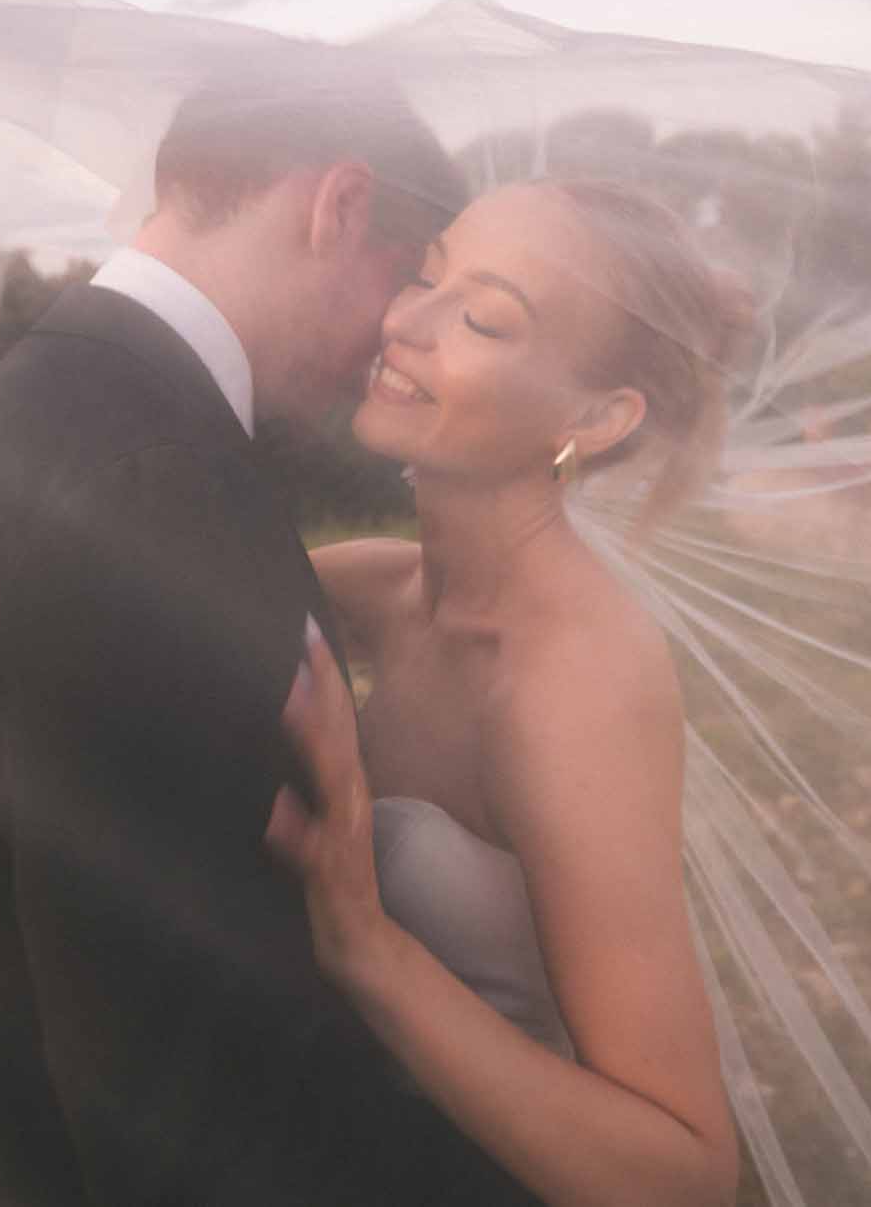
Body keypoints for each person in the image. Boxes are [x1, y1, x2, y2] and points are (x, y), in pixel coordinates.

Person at [0, 67, 542, 1204]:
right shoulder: (158, 484)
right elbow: (194, 1104)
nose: (392, 336)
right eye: (403, 277)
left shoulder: (53, 389)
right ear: (336, 206)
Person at [267, 179, 753, 1207]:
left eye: (485, 317)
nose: (404, 320)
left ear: (595, 416)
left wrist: (365, 946)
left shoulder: (570, 687)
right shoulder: (387, 590)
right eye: (427, 274)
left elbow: (686, 1170)